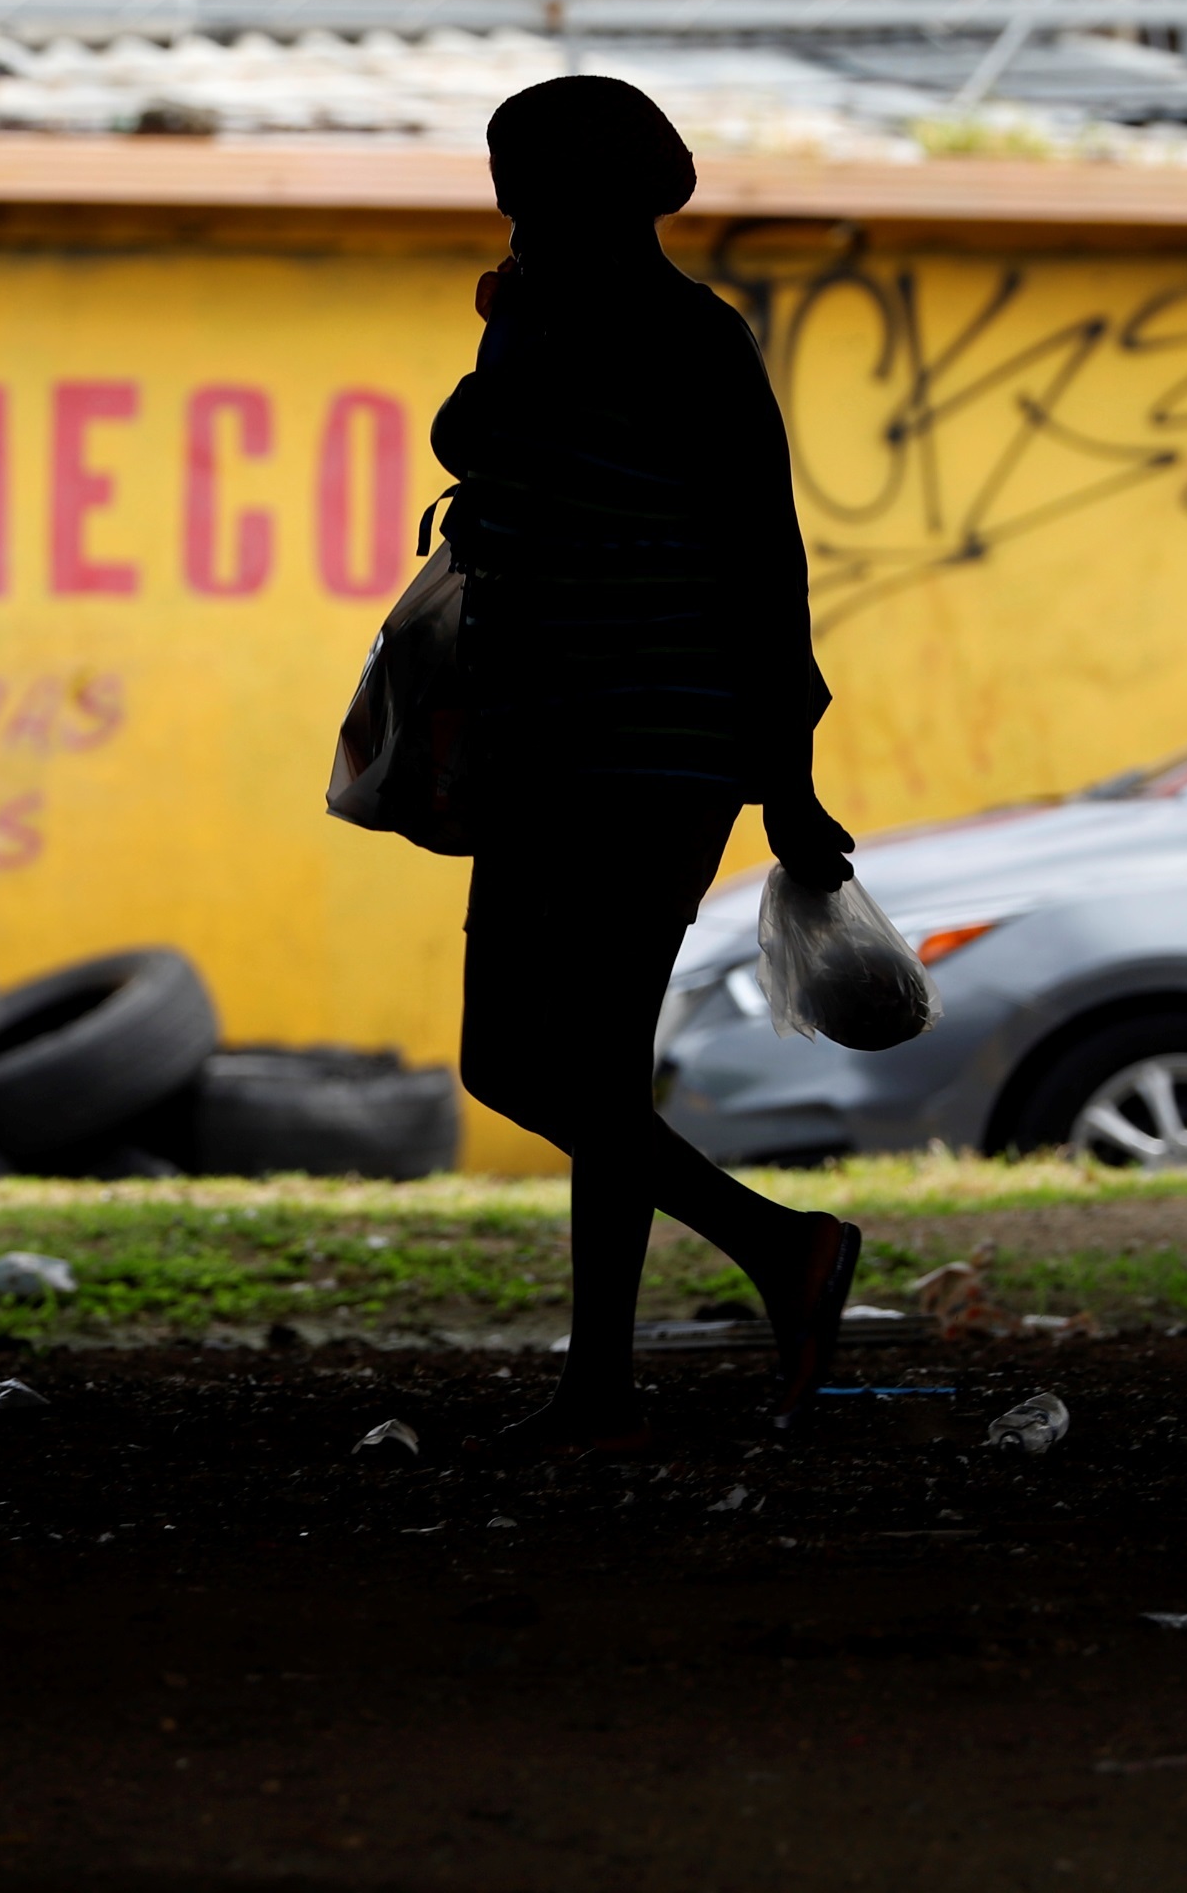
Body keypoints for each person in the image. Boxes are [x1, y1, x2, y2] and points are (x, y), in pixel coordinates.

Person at [434, 75, 862, 1459]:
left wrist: (787, 774)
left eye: (518, 173)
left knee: (530, 1059)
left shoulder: (684, 338)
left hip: (635, 745)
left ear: (564, 192)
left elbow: (764, 562)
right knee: (569, 1068)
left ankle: (771, 1255)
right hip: (566, 737)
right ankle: (607, 1381)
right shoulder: (556, 325)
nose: (503, 196)